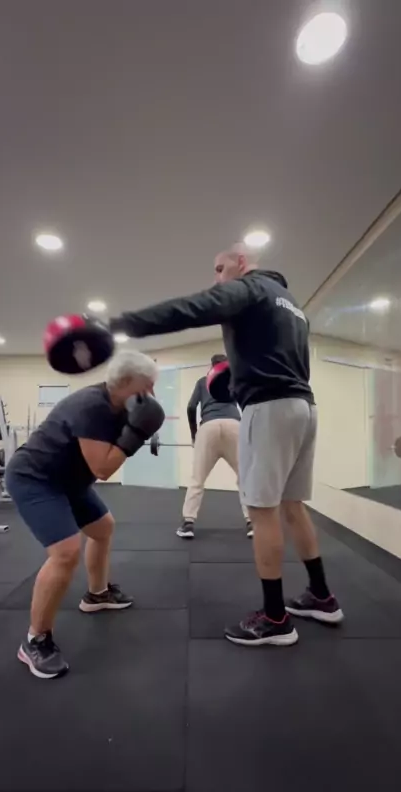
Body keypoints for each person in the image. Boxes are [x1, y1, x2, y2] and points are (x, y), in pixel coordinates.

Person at [110, 244, 344, 647]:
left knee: (262, 510)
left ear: (241, 262)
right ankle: (322, 596)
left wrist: (119, 324)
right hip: (303, 406)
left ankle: (275, 618)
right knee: (292, 505)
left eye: (220, 268)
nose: (217, 278)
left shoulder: (250, 288)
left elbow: (192, 308)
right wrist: (238, 377)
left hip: (268, 409)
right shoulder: (292, 306)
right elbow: (278, 359)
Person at [5, 350, 164, 678]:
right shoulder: (91, 407)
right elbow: (103, 469)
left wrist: (140, 429)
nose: (151, 393)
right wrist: (137, 435)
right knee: (65, 553)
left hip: (70, 481)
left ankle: (97, 593)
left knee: (103, 528)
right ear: (125, 382)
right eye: (147, 385)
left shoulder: (124, 405)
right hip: (36, 478)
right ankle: (35, 640)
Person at [177, 353, 251, 539]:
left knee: (197, 479)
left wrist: (194, 434)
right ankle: (252, 522)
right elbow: (247, 404)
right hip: (234, 426)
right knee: (245, 478)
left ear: (211, 366)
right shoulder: (234, 380)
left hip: (208, 427)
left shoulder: (203, 381)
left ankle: (188, 524)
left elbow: (191, 407)